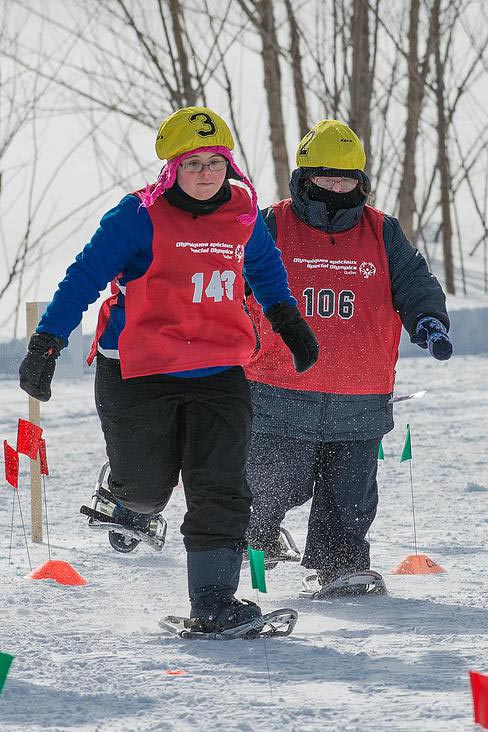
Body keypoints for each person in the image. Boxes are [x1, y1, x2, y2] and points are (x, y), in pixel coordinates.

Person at [19, 106, 318, 634]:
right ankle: (128, 497)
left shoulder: (244, 211)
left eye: (215, 161)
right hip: (139, 371)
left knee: (221, 486)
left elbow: (266, 268)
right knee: (146, 489)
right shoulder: (137, 216)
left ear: (229, 164)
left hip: (220, 370)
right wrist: (47, 344)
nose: (206, 173)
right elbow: (84, 276)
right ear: (172, 168)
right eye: (193, 163)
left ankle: (214, 601)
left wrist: (288, 321)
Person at [244, 119, 452, 594]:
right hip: (279, 389)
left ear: (362, 181)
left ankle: (341, 565)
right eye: (326, 177)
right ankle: (252, 544)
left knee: (350, 496)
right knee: (271, 484)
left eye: (348, 179)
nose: (337, 187)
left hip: (360, 394)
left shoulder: (382, 231)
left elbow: (415, 283)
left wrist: (428, 321)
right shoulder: (269, 224)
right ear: (303, 177)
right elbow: (231, 285)